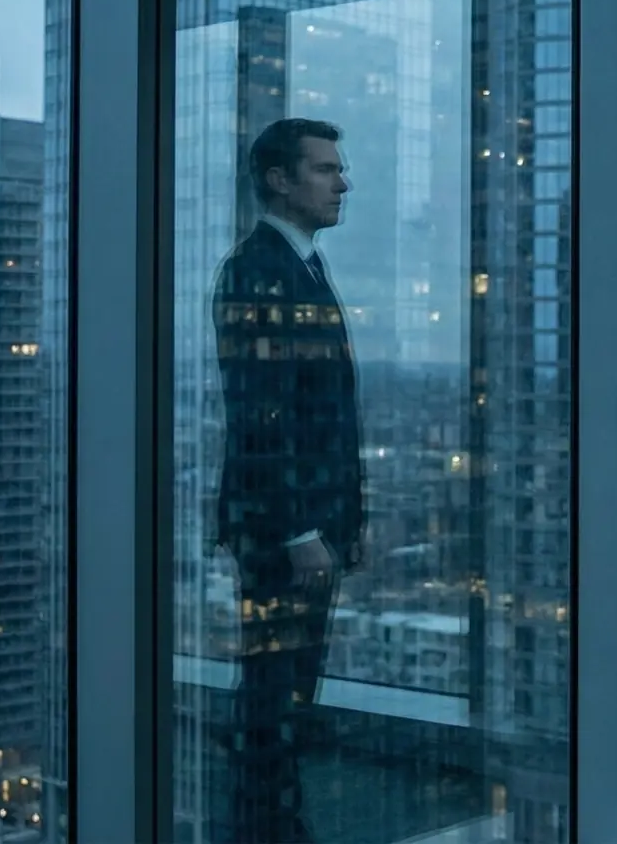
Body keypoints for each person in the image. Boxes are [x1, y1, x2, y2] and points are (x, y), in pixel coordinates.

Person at [213, 117, 366, 843]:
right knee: (273, 694)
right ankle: (264, 829)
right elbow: (261, 413)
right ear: (278, 179)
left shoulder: (297, 263)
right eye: (325, 169)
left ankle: (274, 825)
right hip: (282, 529)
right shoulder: (258, 267)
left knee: (287, 691)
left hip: (298, 523)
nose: (342, 182)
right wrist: (302, 529)